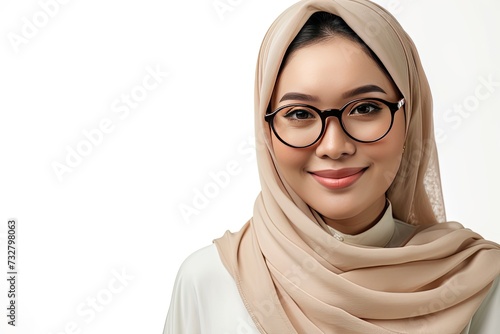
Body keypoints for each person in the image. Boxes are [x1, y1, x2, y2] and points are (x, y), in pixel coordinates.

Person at [164, 0, 500, 333]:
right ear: (266, 129)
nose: (334, 146)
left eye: (365, 108)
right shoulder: (210, 281)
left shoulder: (478, 282)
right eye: (299, 114)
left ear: (409, 116)